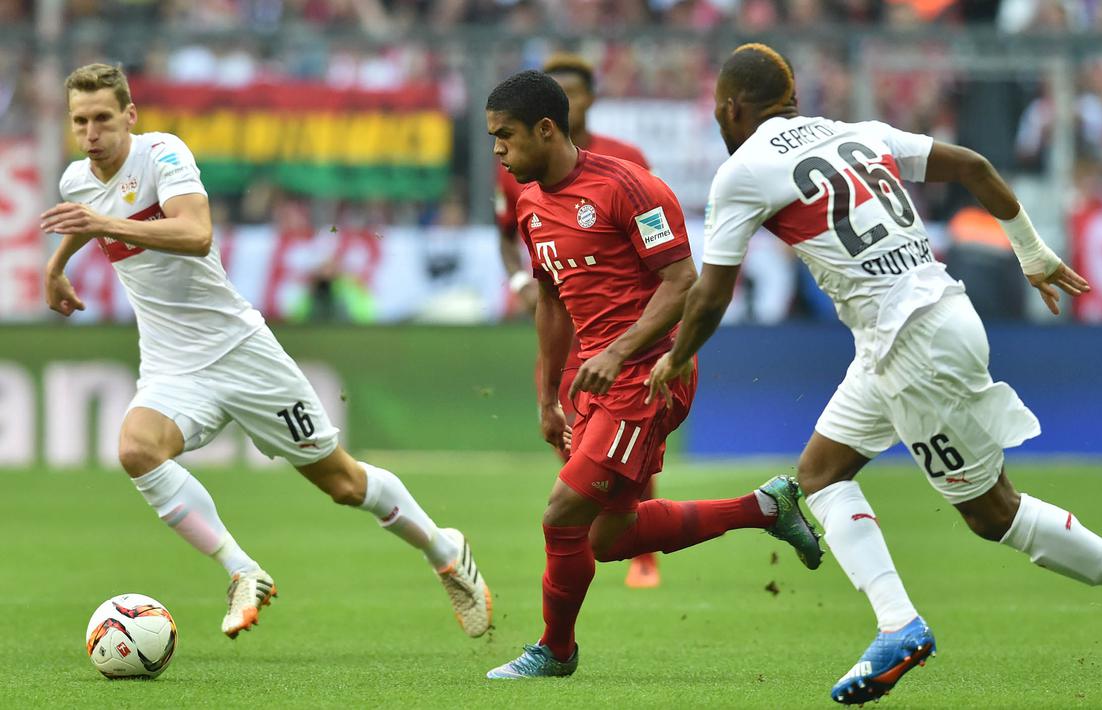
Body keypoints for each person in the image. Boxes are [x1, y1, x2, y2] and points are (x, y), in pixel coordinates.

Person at [647, 44, 1102, 705]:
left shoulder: (742, 171)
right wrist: (1032, 253)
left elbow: (711, 293)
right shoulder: (860, 133)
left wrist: (675, 357)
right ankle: (897, 624)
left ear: (730, 107)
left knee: (993, 514)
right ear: (791, 98)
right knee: (820, 474)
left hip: (912, 344)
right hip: (922, 320)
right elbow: (974, 166)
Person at [41, 63, 492, 641]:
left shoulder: (161, 154)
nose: (91, 132)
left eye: (103, 118)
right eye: (80, 121)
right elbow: (86, 215)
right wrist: (57, 266)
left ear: (130, 115)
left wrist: (105, 222)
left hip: (241, 351)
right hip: (172, 364)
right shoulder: (77, 180)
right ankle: (242, 571)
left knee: (344, 484)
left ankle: (444, 551)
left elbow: (195, 234)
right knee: (137, 450)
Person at [482, 70, 823, 680]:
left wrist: (618, 353)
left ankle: (555, 651)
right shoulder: (530, 203)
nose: (498, 150)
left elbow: (682, 282)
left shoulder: (629, 186)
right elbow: (552, 303)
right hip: (597, 380)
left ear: (545, 129)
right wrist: (546, 399)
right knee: (607, 539)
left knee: (562, 514)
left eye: (505, 136)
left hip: (652, 374)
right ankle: (765, 508)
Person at [493, 52, 663, 589]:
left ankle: (639, 555)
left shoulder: (626, 166)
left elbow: (668, 263)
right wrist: (520, 282)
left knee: (587, 490)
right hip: (571, 335)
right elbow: (514, 245)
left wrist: (645, 342)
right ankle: (611, 534)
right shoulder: (522, 179)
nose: (498, 148)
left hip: (630, 344)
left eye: (576, 90)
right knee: (575, 463)